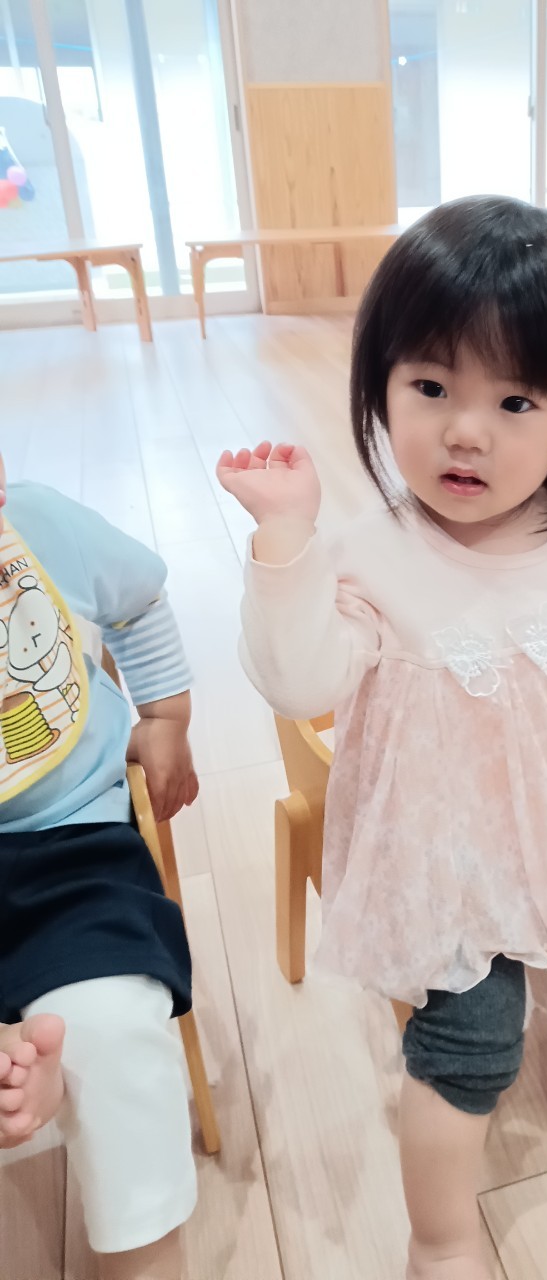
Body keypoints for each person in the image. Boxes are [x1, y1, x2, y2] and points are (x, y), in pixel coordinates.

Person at [218, 195, 547, 1280]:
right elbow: (297, 679)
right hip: (447, 843)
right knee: (469, 1041)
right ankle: (442, 1235)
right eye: (430, 388)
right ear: (379, 386)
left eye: (515, 400)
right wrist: (285, 538)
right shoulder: (371, 557)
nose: (466, 431)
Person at [0, 454, 199, 1280]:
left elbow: (138, 595)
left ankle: (142, 1259)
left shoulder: (35, 522)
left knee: (114, 1031)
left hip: (69, 843)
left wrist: (165, 715)